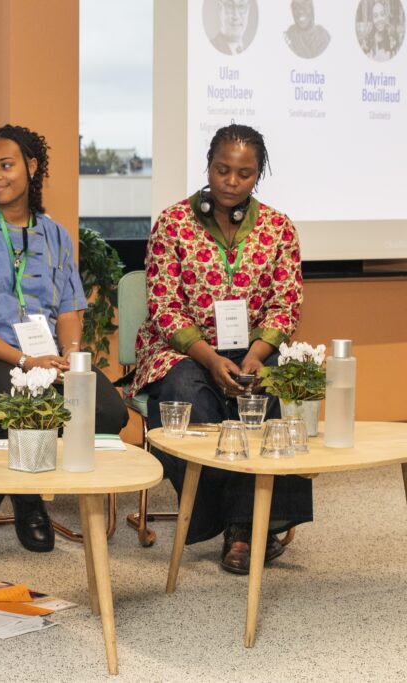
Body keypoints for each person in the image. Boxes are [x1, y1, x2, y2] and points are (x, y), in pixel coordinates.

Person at [0, 124, 129, 553]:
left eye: (6, 165)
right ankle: (29, 504)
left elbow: (70, 309)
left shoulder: (54, 234)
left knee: (108, 411)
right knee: (19, 405)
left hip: (45, 358)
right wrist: (25, 362)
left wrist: (71, 357)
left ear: (32, 167)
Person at [129, 124, 311, 575]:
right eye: (222, 169)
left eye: (244, 173)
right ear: (208, 166)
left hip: (255, 349)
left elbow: (286, 303)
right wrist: (210, 358)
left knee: (262, 395)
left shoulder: (278, 228)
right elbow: (164, 306)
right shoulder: (172, 223)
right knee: (188, 393)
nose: (231, 181)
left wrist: (256, 355)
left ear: (258, 175)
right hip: (182, 349)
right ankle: (235, 518)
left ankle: (244, 527)